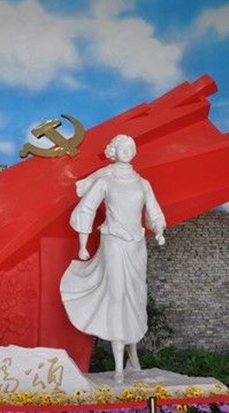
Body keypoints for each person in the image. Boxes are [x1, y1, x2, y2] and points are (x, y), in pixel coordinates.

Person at [60, 134, 166, 384]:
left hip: (136, 246)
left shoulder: (143, 183)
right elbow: (86, 209)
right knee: (117, 296)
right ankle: (118, 365)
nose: (127, 150)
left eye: (131, 146)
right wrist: (83, 245)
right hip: (114, 242)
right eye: (122, 146)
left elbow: (154, 212)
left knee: (135, 298)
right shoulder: (105, 180)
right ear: (113, 151)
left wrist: (159, 230)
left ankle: (132, 355)